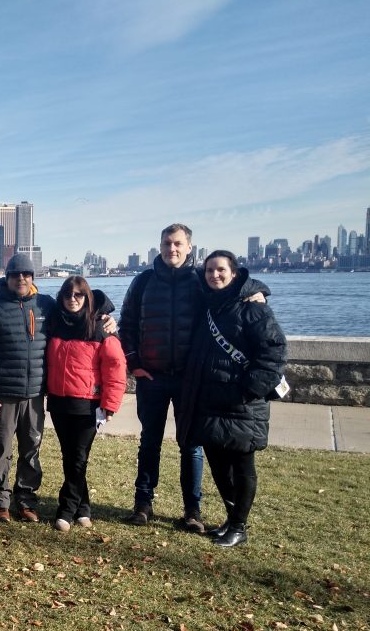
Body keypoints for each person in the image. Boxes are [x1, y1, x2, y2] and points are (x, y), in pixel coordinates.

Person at [120, 224, 266, 532]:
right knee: (150, 442)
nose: (171, 249)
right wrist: (134, 363)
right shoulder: (143, 282)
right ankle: (143, 505)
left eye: (177, 244)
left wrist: (259, 293)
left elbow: (237, 286)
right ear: (159, 246)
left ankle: (192, 511)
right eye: (166, 243)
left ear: (189, 247)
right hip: (152, 377)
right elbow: (128, 324)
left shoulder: (202, 280)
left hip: (191, 380)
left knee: (192, 446)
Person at [177, 251, 287, 547]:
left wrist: (250, 391)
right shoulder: (209, 306)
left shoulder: (254, 309)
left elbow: (273, 351)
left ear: (235, 273)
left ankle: (239, 527)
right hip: (210, 401)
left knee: (242, 466)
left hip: (242, 403)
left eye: (221, 270)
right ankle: (231, 517)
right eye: (210, 270)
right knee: (217, 464)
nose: (215, 275)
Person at [0, 253, 55, 522]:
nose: (21, 278)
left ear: (32, 277)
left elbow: (79, 315)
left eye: (26, 274)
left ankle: (26, 500)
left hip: (35, 394)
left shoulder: (46, 306)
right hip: (1, 394)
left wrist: (105, 319)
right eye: (16, 274)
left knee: (31, 448)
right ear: (6, 277)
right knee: (0, 450)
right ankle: (0, 502)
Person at [44, 277, 127, 531]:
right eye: (68, 294)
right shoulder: (54, 322)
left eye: (79, 294)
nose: (73, 299)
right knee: (71, 457)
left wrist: (110, 404)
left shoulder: (100, 327)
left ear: (87, 297)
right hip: (59, 403)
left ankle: (66, 510)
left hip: (88, 405)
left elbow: (116, 367)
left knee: (78, 457)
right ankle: (84, 508)